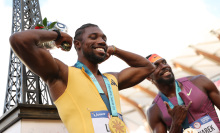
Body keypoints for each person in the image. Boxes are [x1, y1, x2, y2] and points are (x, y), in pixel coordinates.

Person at [9, 23, 155, 133]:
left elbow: (148, 68)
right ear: (77, 44)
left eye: (104, 38)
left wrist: (115, 50)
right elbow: (19, 40)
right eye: (93, 37)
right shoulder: (63, 74)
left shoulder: (112, 79)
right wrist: (58, 35)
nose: (102, 41)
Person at [146, 54, 220, 133]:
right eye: (156, 66)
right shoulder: (154, 110)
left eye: (164, 62)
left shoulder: (200, 82)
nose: (163, 66)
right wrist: (176, 123)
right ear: (149, 77)